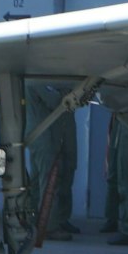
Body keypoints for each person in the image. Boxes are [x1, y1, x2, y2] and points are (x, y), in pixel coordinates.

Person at [25, 83, 80, 240]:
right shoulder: (35, 78)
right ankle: (49, 226)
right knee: (49, 180)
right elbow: (54, 100)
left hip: (44, 133)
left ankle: (40, 220)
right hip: (42, 134)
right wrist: (67, 92)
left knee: (40, 179)